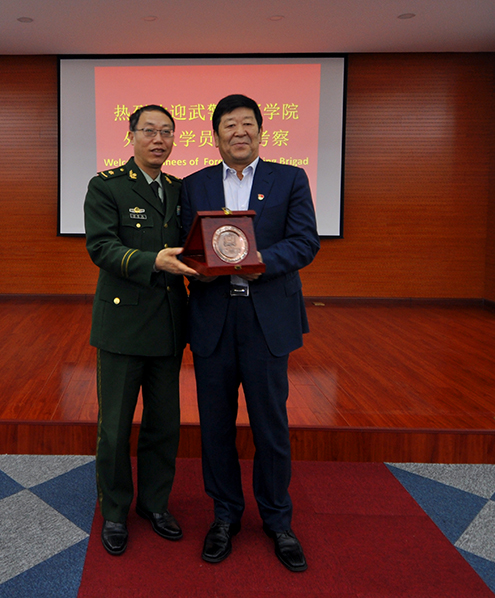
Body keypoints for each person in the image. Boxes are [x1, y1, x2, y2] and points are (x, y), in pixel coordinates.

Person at [179, 94, 320, 572]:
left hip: (266, 320)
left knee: (270, 426)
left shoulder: (290, 178)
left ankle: (278, 520)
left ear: (261, 131)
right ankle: (225, 516)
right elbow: (187, 247)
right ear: (215, 135)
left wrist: (257, 261)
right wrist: (199, 265)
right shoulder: (194, 185)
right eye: (229, 125)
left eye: (247, 124)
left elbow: (305, 242)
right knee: (215, 426)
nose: (239, 132)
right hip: (214, 318)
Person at [84, 105, 198, 556]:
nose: (158, 139)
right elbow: (102, 247)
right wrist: (153, 261)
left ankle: (155, 504)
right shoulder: (107, 185)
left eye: (167, 132)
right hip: (122, 326)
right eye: (149, 131)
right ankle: (115, 511)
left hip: (168, 324)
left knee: (164, 424)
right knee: (114, 428)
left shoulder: (179, 189)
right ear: (131, 135)